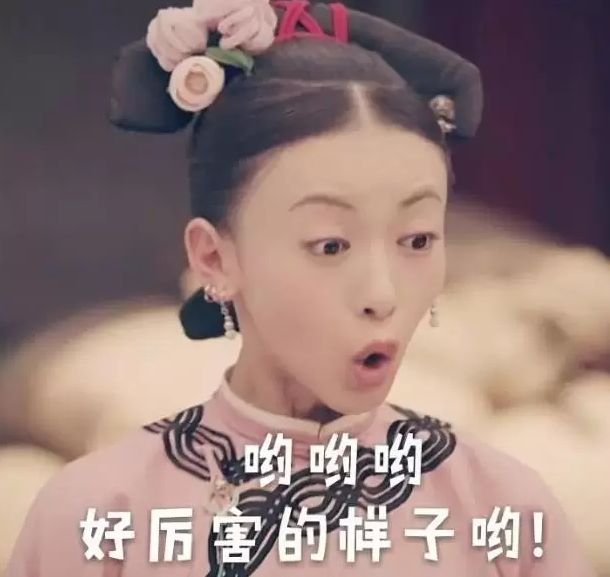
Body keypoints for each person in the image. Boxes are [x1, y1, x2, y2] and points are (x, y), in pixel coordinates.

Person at [6, 1, 595, 575]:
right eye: (330, 245)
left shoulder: (502, 508)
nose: (383, 294)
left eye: (417, 240)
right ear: (214, 259)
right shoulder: (98, 514)